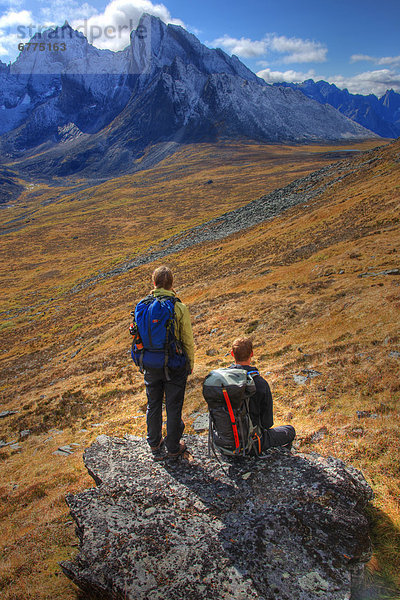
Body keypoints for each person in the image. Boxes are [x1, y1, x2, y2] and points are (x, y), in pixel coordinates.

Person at [135, 266, 194, 461]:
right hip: (173, 365)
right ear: (172, 284)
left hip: (150, 364)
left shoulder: (142, 305)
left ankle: (154, 442)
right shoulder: (178, 307)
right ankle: (173, 446)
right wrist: (190, 363)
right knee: (173, 405)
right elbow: (187, 339)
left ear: (153, 283)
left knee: (153, 404)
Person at [230, 337, 295, 451]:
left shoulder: (221, 381)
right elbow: (267, 423)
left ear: (232, 354)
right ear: (252, 354)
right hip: (251, 443)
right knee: (289, 431)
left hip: (223, 441)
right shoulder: (260, 383)